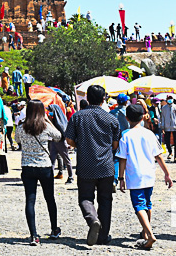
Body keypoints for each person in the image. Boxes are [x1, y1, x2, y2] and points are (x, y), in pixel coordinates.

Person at [66, 85, 120, 246]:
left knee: (85, 198)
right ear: (104, 99)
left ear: (87, 98)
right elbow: (115, 145)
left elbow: (69, 140)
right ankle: (103, 237)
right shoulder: (112, 119)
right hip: (106, 166)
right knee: (105, 200)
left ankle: (93, 220)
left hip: (85, 165)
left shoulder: (77, 117)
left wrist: (81, 145)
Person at [116, 103, 173, 250]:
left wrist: (120, 178)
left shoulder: (125, 135)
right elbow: (159, 156)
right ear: (142, 117)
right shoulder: (150, 134)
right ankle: (145, 232)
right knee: (148, 203)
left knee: (138, 205)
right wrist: (167, 174)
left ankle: (149, 234)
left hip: (134, 175)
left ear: (127, 118)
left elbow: (122, 159)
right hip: (149, 174)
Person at [15, 99, 62, 246]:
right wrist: (48, 120)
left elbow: (17, 140)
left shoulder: (21, 127)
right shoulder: (46, 126)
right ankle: (54, 229)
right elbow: (59, 136)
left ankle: (34, 235)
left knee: (30, 200)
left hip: (27, 167)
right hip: (44, 167)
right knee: (50, 198)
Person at [160, 97, 176, 162]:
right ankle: (170, 152)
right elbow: (162, 117)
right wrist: (162, 126)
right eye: (168, 99)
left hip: (175, 126)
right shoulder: (164, 108)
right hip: (167, 127)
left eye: (171, 98)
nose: (170, 100)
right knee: (167, 141)